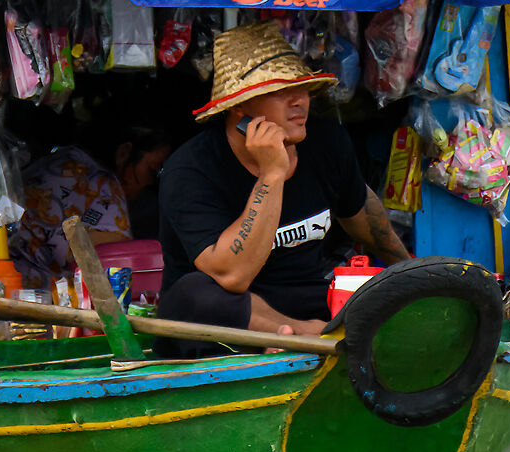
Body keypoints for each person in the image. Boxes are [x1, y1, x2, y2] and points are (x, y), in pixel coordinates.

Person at [157, 22, 410, 346]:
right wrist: (272, 174)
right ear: (240, 108)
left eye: (302, 87)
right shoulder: (190, 171)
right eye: (279, 91)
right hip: (227, 323)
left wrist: (414, 276)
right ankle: (304, 336)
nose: (299, 101)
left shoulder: (327, 142)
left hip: (311, 306)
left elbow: (367, 221)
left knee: (359, 289)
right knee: (192, 293)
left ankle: (308, 332)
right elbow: (232, 277)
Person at [9, 121, 172, 286]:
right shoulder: (103, 187)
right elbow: (113, 262)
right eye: (153, 171)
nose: (150, 184)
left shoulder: (55, 161)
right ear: (123, 153)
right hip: (37, 293)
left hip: (5, 276)